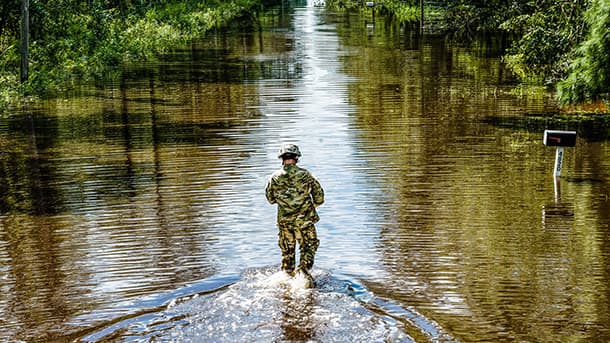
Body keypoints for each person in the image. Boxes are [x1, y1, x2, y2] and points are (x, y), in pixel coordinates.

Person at [265, 143, 324, 278]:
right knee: (308, 248)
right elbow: (319, 198)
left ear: (281, 158)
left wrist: (285, 203)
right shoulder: (306, 175)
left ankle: (286, 282)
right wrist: (310, 207)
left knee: (287, 254)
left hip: (285, 223)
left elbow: (270, 199)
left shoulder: (274, 177)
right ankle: (303, 275)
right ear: (297, 157)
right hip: (305, 222)